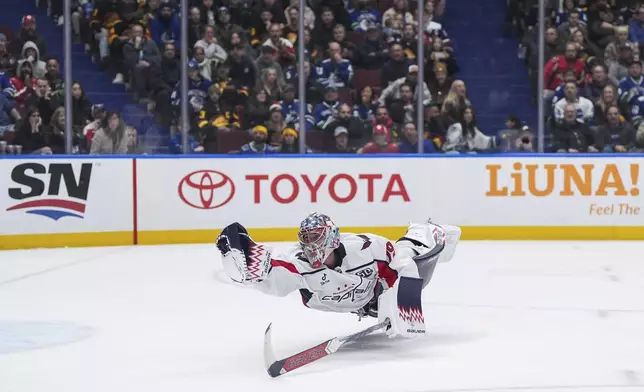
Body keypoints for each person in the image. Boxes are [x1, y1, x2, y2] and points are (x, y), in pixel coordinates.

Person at [216, 213, 461, 339]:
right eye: (307, 239)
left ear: (332, 237)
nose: (311, 246)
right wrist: (245, 259)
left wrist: (404, 312)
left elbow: (402, 265)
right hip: (334, 297)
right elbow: (274, 272)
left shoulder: (367, 247)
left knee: (412, 251)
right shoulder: (300, 263)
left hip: (371, 293)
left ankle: (426, 229)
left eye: (317, 238)